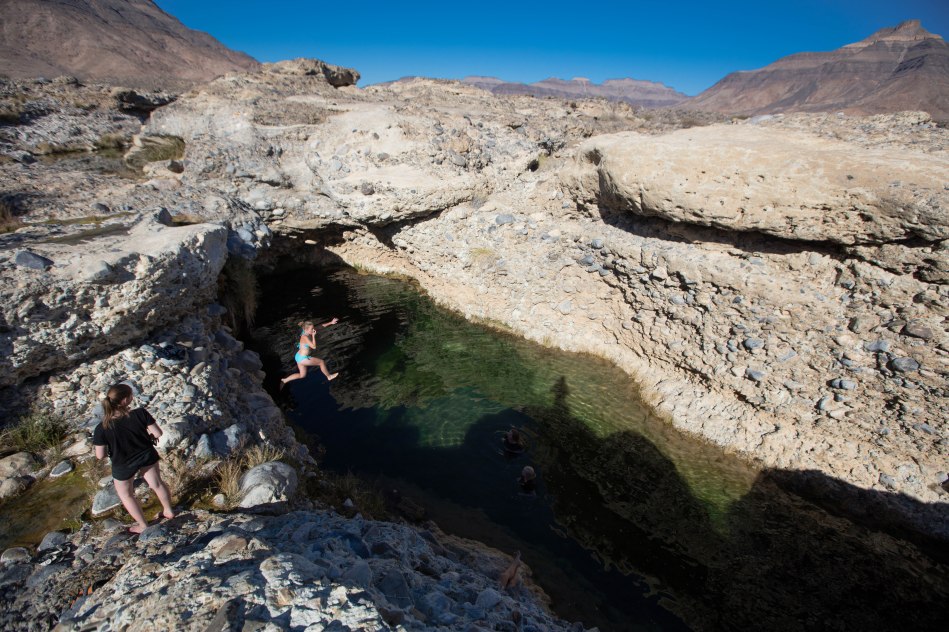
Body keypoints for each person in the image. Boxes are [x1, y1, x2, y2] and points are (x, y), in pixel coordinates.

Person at [92, 383, 175, 533]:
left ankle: (143, 525)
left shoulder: (101, 428)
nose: (132, 397)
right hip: (146, 455)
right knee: (157, 484)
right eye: (131, 395)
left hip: (122, 463)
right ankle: (168, 511)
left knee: (126, 495)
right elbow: (157, 433)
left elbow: (100, 455)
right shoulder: (140, 413)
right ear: (125, 401)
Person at [280, 318, 339, 386]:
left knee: (302, 375)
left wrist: (331, 322)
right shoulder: (304, 337)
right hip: (303, 358)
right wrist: (313, 336)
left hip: (299, 357)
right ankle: (329, 376)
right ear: (306, 330)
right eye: (311, 329)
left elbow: (320, 326)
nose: (313, 330)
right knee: (321, 362)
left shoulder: (307, 331)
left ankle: (285, 380)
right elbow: (314, 347)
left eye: (313, 328)